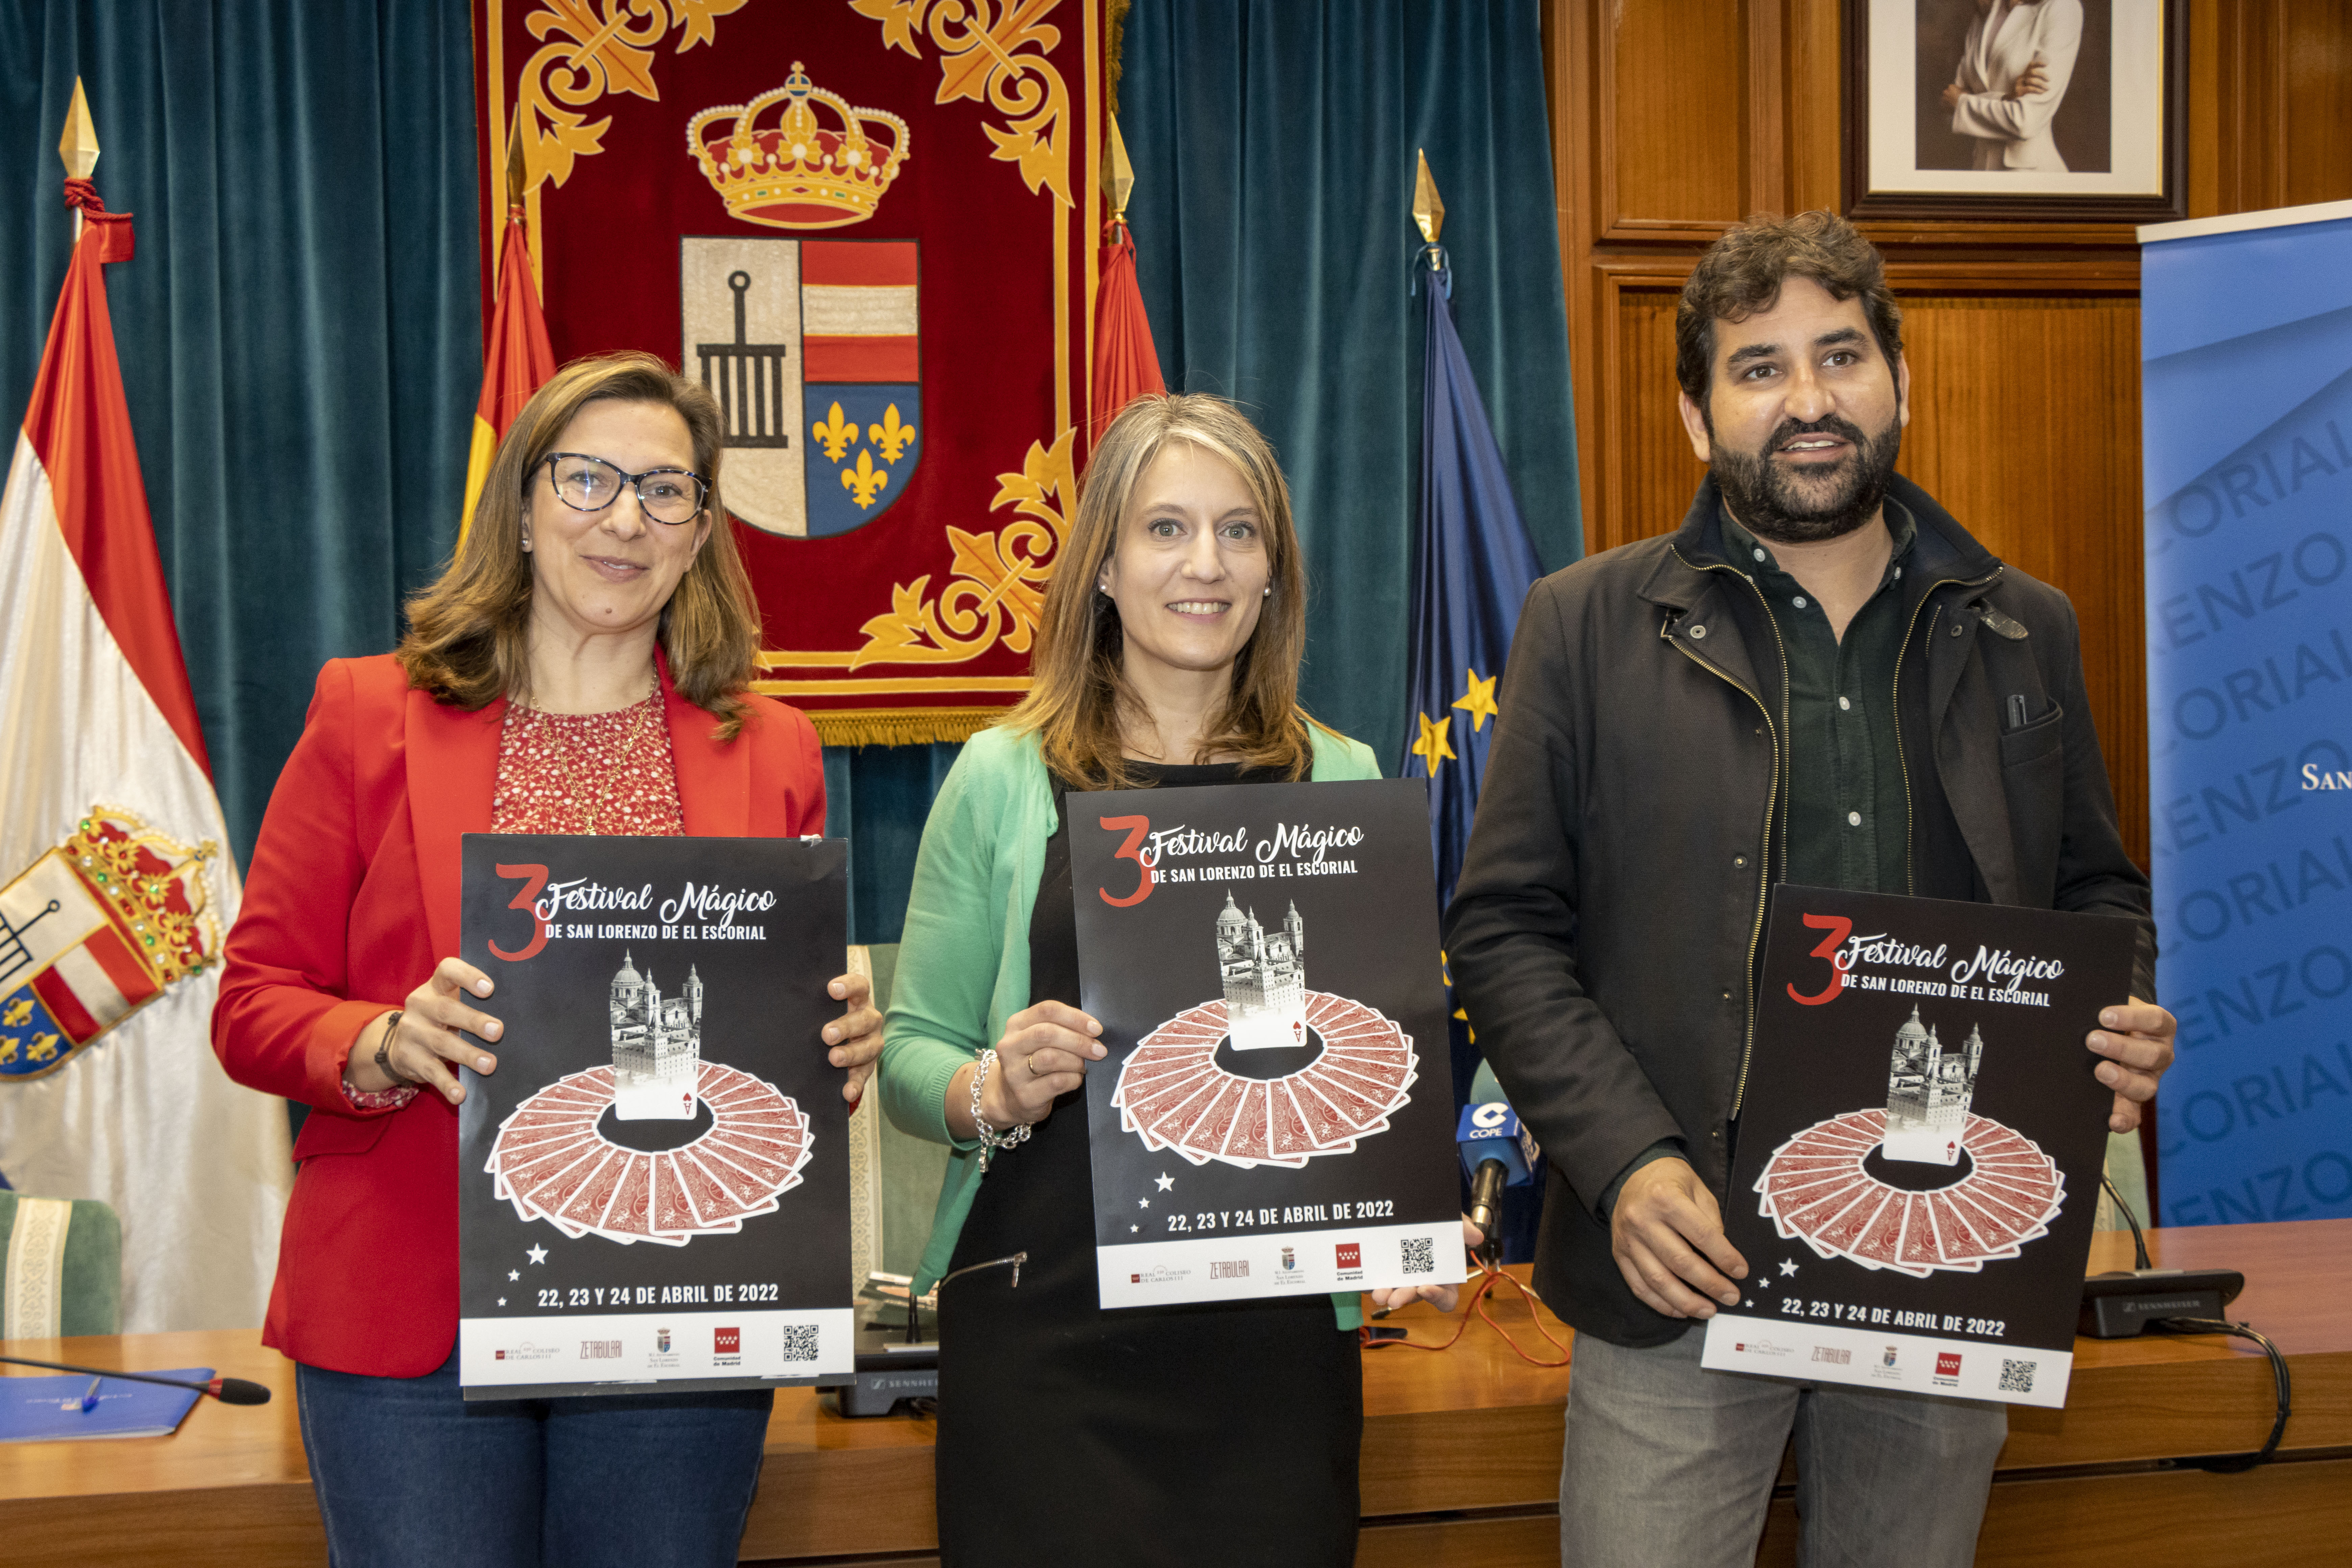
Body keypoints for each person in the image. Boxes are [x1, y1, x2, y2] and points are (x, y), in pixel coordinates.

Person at [1445, 212, 2176, 1567]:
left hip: (1937, 1264)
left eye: (1841, 354)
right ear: (1696, 411)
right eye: (1761, 366)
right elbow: (1502, 929)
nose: (1811, 398)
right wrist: (1629, 1164)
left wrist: (2123, 1002)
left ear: (1903, 378)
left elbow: (2096, 890)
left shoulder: (2029, 624)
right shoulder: (1584, 624)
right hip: (1683, 1265)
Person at [213, 352, 884, 1568]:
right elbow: (254, 1004)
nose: (625, 518)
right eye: (588, 479)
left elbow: (771, 1027)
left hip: (675, 1307)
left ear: (699, 534)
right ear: (521, 505)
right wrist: (381, 1041)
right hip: (413, 1315)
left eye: (666, 491)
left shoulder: (770, 744)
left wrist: (828, 1037)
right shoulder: (369, 711)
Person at [879, 393, 1453, 1566]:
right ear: (1101, 566)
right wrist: (992, 1084)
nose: (1207, 564)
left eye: (1241, 532)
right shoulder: (1001, 774)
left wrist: (1407, 1225)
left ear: (1276, 572)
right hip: (1048, 1341)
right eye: (1167, 529)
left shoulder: (1342, 776)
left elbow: (1386, 1047)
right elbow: (908, 1054)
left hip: (1274, 1346)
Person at [1940, 0, 2083, 171]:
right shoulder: (1987, 11)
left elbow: (2026, 121)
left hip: (2031, 177)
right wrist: (2006, 98)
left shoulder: (2062, 8)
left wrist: (1963, 103)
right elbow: (1949, 105)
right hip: (1980, 171)